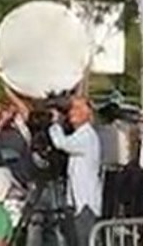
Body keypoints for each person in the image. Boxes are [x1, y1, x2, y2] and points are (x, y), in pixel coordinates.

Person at [48, 96, 102, 246]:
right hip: (76, 202)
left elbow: (61, 143)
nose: (72, 112)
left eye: (78, 108)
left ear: (88, 113)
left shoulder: (87, 135)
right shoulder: (78, 134)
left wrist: (55, 123)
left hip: (85, 204)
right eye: (71, 109)